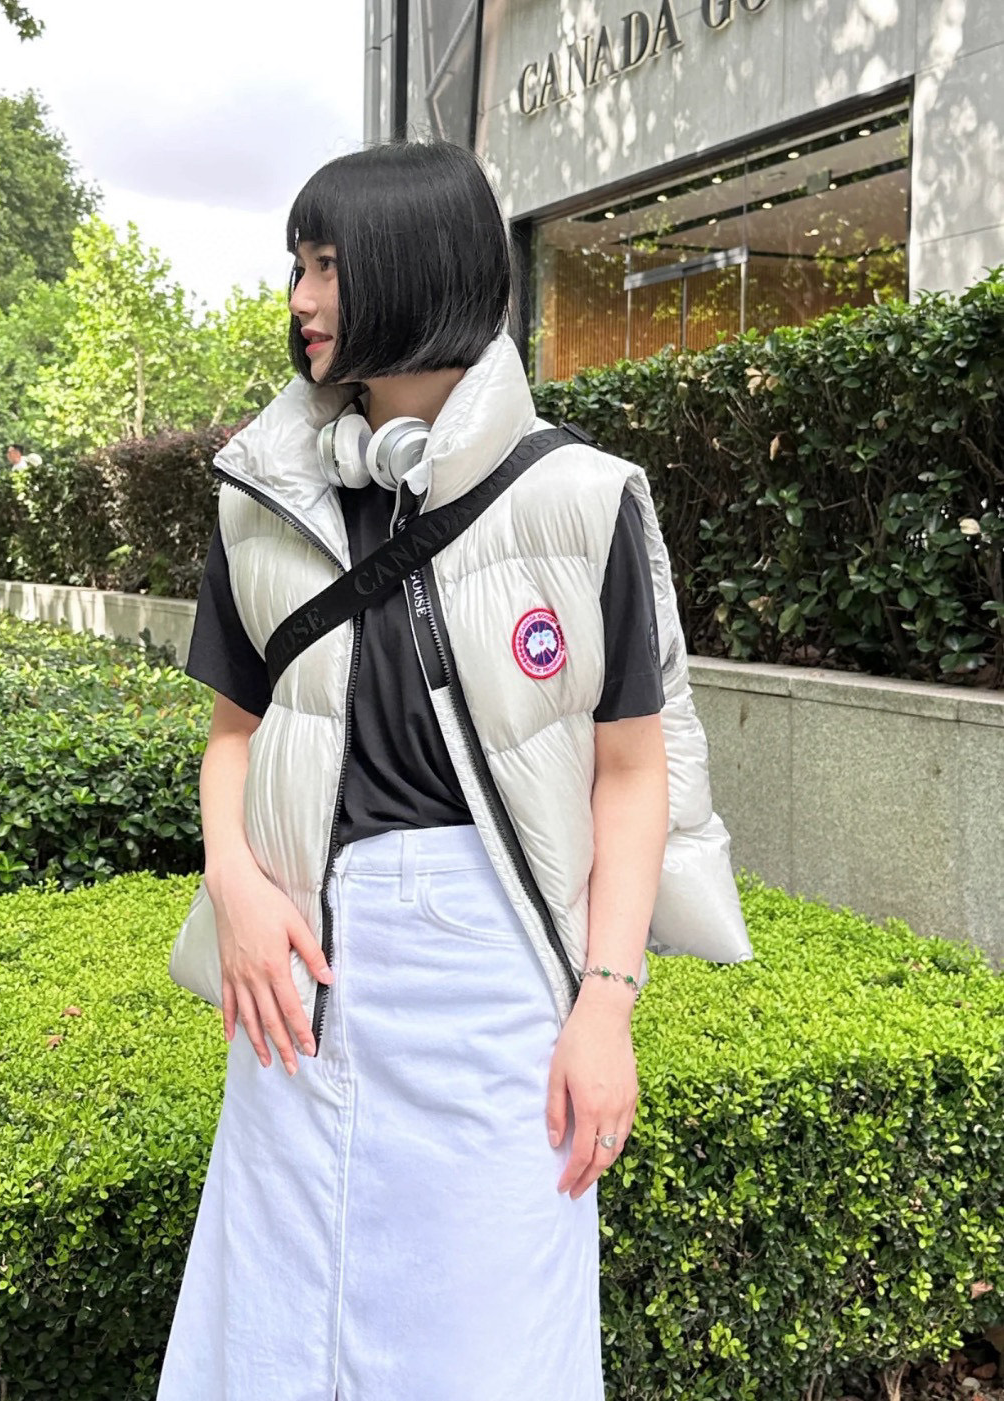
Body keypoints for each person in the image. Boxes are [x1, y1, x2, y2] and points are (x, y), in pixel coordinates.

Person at [156, 141, 702, 1401]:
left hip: (495, 985)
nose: (299, 298)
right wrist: (235, 885)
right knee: (281, 1332)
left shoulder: (582, 499)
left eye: (326, 265)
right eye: (296, 265)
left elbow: (632, 774)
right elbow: (236, 733)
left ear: (413, 269)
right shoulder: (262, 496)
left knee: (486, 1337)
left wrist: (605, 1009)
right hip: (302, 972)